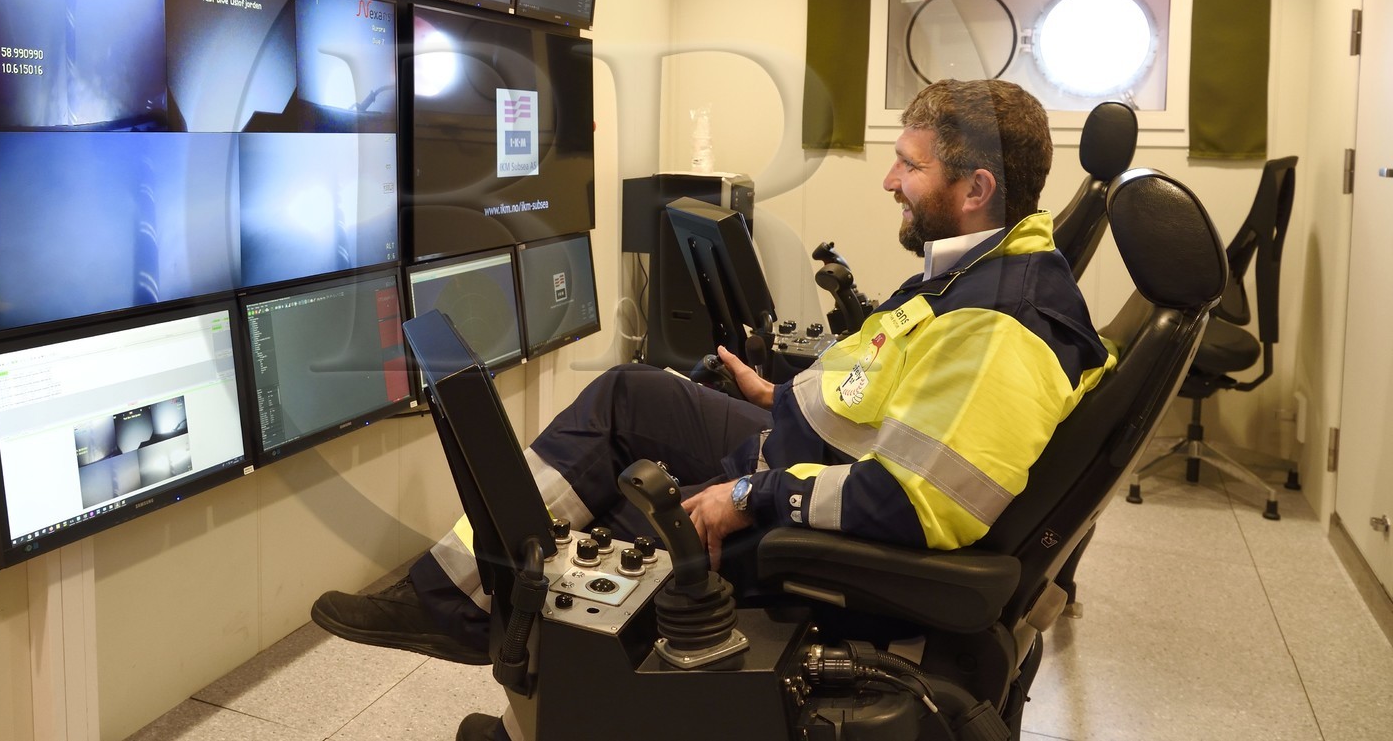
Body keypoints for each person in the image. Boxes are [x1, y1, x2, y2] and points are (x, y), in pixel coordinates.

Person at [311, 78, 1113, 741]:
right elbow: (879, 378)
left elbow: (911, 501)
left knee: (616, 525)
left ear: (975, 189)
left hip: (815, 506)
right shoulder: (976, 270)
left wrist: (748, 494)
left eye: (909, 166)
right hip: (800, 444)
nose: (889, 181)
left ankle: (507, 632)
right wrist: (778, 392)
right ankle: (455, 594)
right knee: (633, 391)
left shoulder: (1001, 327)